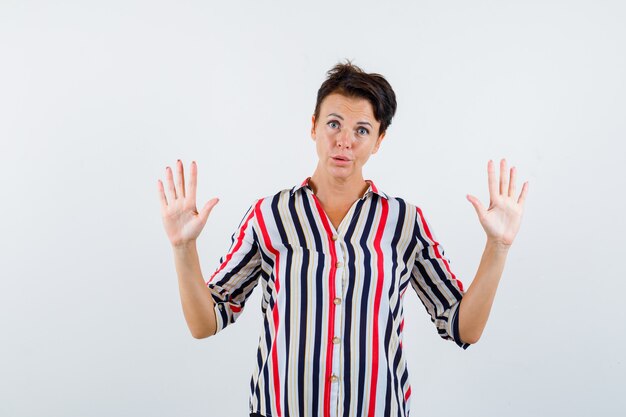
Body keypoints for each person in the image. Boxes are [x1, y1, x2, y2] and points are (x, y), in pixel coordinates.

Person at [157, 61, 529, 417]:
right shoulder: (269, 216)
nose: (344, 141)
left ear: (379, 140)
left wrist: (498, 247)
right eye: (334, 123)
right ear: (314, 126)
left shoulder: (404, 222)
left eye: (362, 130)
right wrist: (183, 248)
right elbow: (205, 323)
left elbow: (462, 326)